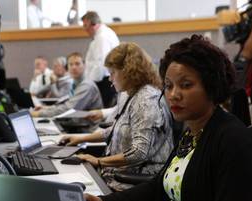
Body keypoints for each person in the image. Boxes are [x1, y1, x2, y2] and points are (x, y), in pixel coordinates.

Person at [85, 35, 252, 201]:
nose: (173, 95)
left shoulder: (232, 140)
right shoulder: (192, 132)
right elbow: (158, 187)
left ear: (211, 86)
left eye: (186, 85)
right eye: (168, 86)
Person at [61, 43, 174, 191]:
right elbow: (115, 130)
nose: (110, 78)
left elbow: (139, 152)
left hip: (134, 182)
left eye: (113, 72)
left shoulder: (146, 101)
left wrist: (99, 161)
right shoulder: (129, 94)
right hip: (116, 174)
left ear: (128, 71)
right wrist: (81, 138)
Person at [31, 52, 103, 117]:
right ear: (67, 67)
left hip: (86, 128)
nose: (74, 67)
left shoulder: (86, 85)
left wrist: (39, 114)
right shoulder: (75, 83)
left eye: (77, 64)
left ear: (84, 65)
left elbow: (68, 110)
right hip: (76, 123)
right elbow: (67, 104)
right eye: (71, 64)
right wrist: (48, 108)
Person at [82, 11, 120, 107]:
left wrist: (90, 84)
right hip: (103, 80)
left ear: (93, 24)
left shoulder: (102, 37)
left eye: (85, 25)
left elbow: (101, 64)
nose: (84, 29)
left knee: (102, 112)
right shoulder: (103, 34)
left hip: (103, 82)